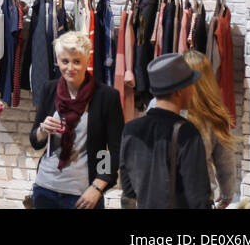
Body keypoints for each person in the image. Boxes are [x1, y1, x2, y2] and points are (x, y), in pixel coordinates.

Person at [28, 31, 124, 209]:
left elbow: (113, 150)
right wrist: (43, 130)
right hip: (45, 188)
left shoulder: (106, 97)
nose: (70, 68)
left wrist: (98, 185)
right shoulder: (50, 89)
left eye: (77, 61)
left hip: (83, 195)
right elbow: (35, 142)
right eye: (65, 61)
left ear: (87, 60)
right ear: (57, 60)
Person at [118, 53, 214, 209]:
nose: (193, 90)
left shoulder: (130, 129)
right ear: (179, 91)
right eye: (190, 84)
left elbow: (128, 190)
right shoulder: (187, 133)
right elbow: (198, 197)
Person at [181, 50, 239, 208]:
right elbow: (225, 161)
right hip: (201, 195)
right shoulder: (215, 116)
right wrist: (227, 194)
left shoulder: (165, 108)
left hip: (163, 194)